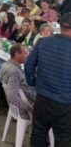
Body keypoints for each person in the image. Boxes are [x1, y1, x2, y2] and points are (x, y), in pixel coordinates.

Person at [25, 13, 71, 146]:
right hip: (65, 103)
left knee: (38, 132)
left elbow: (28, 65)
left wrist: (31, 82)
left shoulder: (44, 42)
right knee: (63, 138)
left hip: (42, 98)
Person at [0, 44, 36, 120]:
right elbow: (12, 96)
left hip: (16, 105)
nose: (27, 55)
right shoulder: (15, 72)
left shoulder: (4, 65)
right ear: (17, 54)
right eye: (25, 53)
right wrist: (30, 108)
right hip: (23, 109)